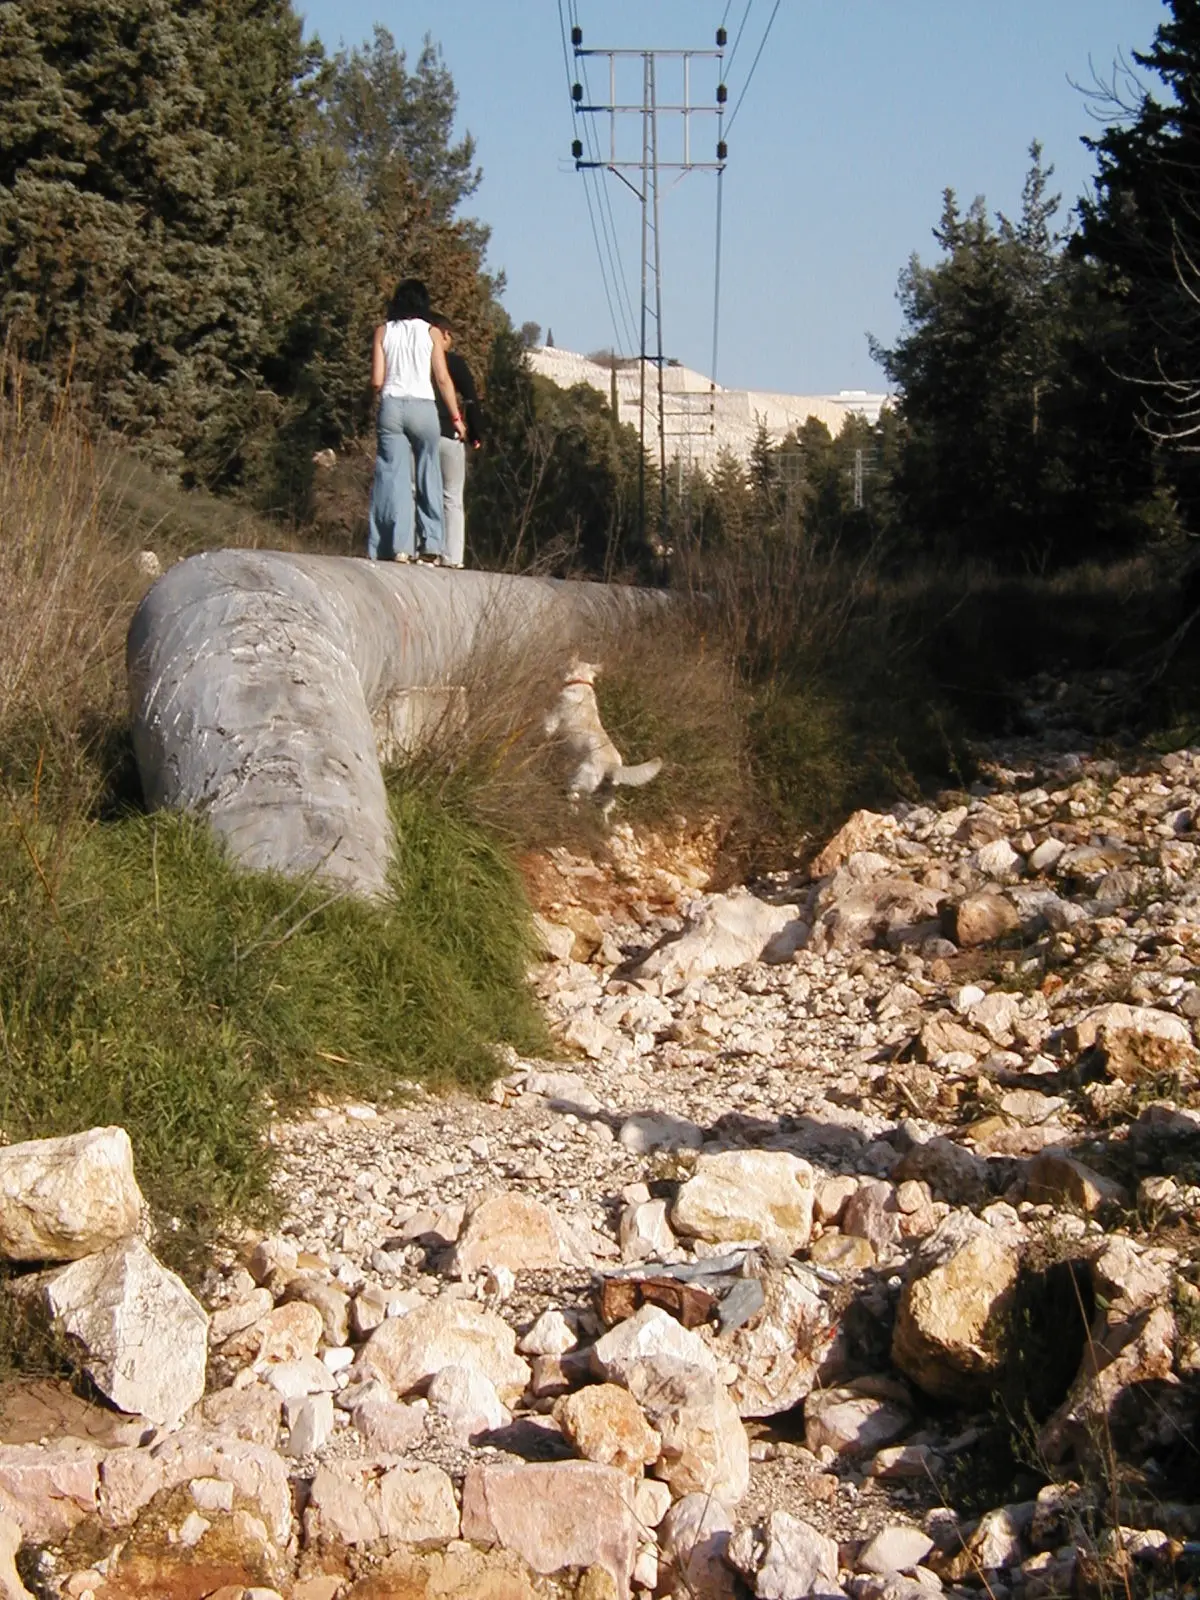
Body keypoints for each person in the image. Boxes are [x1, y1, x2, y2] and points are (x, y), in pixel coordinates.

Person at [367, 279, 466, 563]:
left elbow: (376, 380)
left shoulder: (383, 332)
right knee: (429, 474)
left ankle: (398, 546)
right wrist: (456, 418)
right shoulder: (433, 333)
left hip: (392, 407)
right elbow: (443, 379)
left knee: (393, 477)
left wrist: (365, 401)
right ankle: (433, 543)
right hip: (424, 408)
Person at [428, 313, 483, 569]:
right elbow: (472, 399)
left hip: (422, 433)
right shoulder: (455, 363)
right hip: (449, 433)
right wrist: (475, 435)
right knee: (452, 496)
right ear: (445, 335)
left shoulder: (417, 360)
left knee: (424, 492)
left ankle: (425, 548)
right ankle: (453, 556)